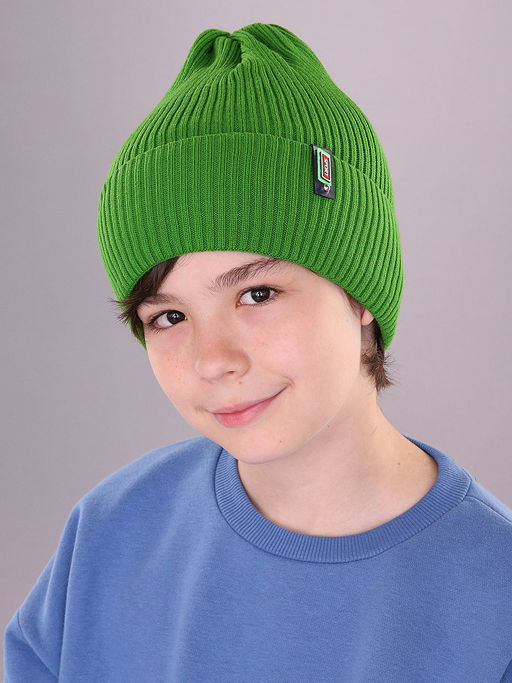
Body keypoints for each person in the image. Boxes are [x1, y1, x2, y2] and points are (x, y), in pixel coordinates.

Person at [4, 22, 512, 682]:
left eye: (258, 293)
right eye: (169, 316)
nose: (213, 359)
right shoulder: (109, 534)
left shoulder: (494, 593)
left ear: (359, 293)